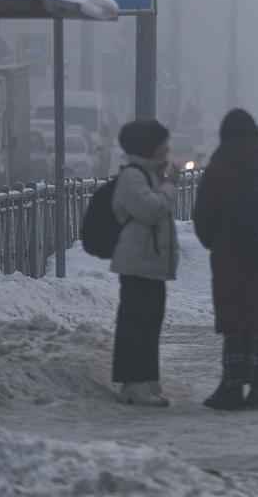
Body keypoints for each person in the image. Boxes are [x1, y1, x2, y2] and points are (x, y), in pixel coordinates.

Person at [193, 109, 258, 411]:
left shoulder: (219, 170)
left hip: (232, 259)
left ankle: (231, 385)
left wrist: (217, 243)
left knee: (236, 323)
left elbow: (204, 217)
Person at [110, 119, 179, 407]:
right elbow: (150, 210)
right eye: (162, 143)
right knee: (136, 324)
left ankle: (148, 380)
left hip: (151, 264)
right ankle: (132, 382)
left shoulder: (149, 175)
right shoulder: (133, 177)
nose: (167, 148)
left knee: (151, 323)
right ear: (148, 146)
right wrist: (169, 187)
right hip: (137, 264)